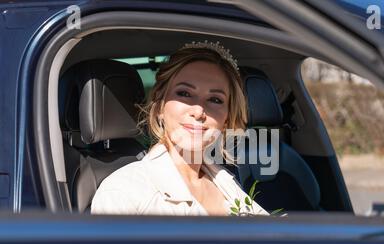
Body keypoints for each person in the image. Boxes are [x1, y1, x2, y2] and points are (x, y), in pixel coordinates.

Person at [91, 41, 268, 216]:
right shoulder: (122, 192)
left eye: (215, 100)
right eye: (184, 94)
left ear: (226, 120)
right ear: (160, 106)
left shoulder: (228, 184)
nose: (199, 111)